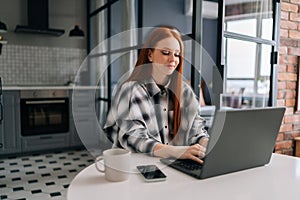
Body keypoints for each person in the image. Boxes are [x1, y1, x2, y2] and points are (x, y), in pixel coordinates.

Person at [104, 27, 209, 164]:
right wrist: (176, 152)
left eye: (177, 54)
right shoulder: (131, 90)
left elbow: (197, 130)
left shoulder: (185, 91)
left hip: (173, 168)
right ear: (150, 54)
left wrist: (206, 145)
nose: (173, 59)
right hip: (136, 168)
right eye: (166, 52)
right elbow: (134, 138)